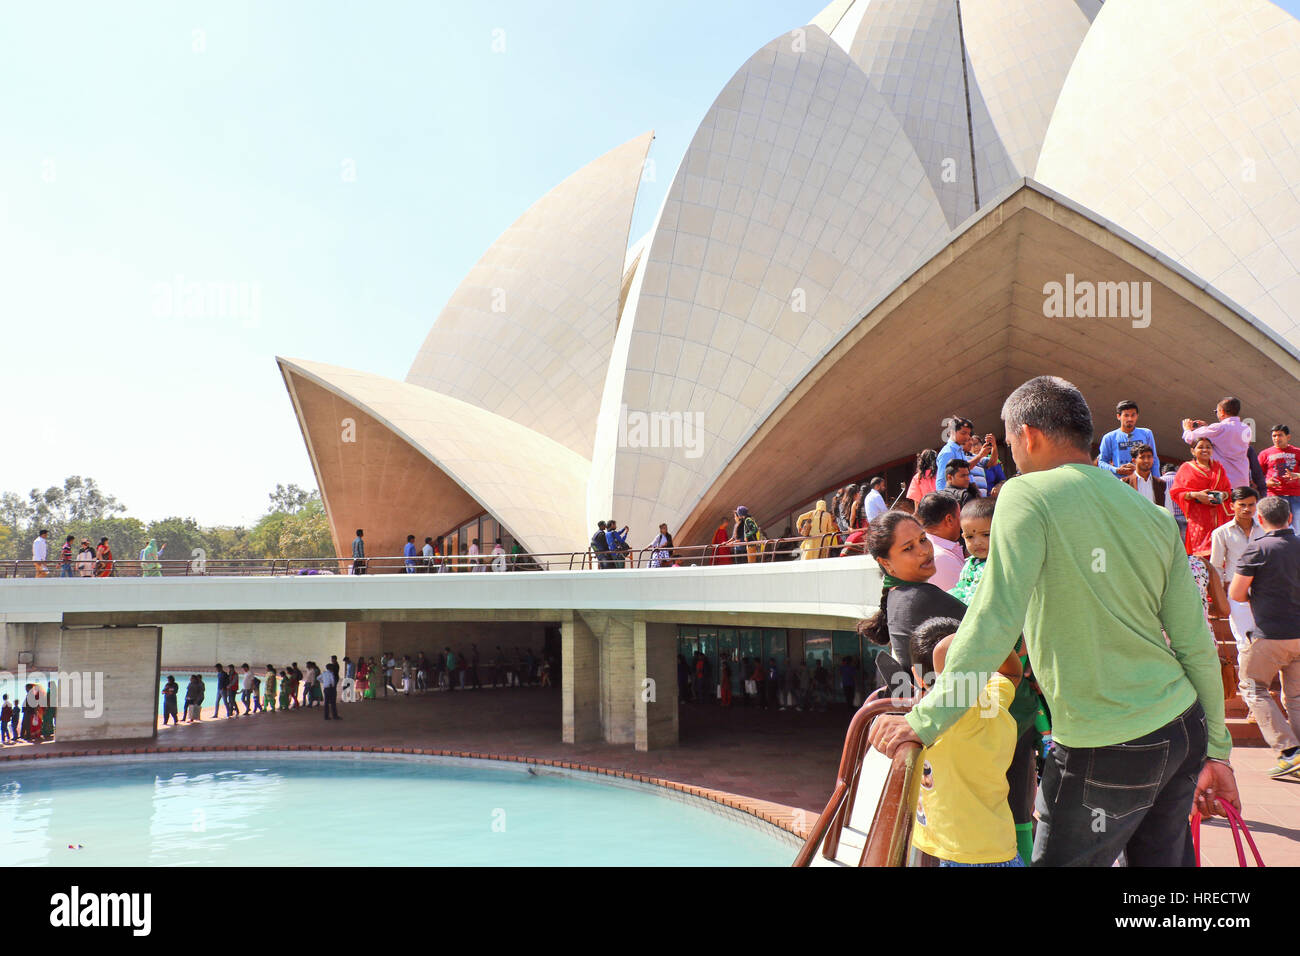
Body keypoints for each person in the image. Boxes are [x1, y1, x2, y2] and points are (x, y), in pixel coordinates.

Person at [868, 375, 1235, 867]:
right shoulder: (1150, 515)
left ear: (1029, 435)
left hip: (1103, 742)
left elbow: (993, 621)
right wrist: (1217, 751)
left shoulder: (1027, 495)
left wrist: (925, 719)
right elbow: (1194, 643)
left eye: (1009, 441)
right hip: (1178, 729)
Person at [908, 617, 1025, 867]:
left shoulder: (933, 721)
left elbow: (948, 685)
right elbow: (1012, 672)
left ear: (917, 676)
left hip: (970, 858)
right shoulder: (994, 697)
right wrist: (983, 642)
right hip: (993, 849)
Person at [1228, 496, 1300, 777]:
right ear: (1290, 518)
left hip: (1270, 633)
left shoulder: (1257, 549)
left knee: (1252, 686)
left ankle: (1290, 750)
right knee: (1295, 696)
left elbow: (1236, 593)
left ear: (1259, 518)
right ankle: (1295, 754)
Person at [861, 510, 969, 675]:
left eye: (923, 539)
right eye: (908, 548)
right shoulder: (922, 597)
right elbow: (1005, 640)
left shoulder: (897, 595)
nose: (924, 550)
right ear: (885, 562)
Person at [1210, 487, 1266, 652]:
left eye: (1251, 505)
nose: (1247, 509)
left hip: (1265, 589)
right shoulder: (1221, 533)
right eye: (1242, 505)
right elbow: (1217, 567)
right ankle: (1247, 678)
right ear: (1232, 505)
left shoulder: (1266, 529)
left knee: (1269, 638)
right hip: (1237, 591)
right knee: (1243, 640)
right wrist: (1219, 594)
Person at [1170, 437, 1233, 556]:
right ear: (1193, 451)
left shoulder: (1218, 468)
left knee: (1220, 554)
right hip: (1199, 519)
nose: (1205, 450)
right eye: (1200, 447)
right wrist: (1196, 495)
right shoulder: (1186, 468)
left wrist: (1221, 495)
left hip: (1218, 517)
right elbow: (1176, 492)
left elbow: (1227, 491)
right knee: (1200, 555)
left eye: (1208, 447)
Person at [1182, 397, 1253, 491]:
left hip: (1224, 481)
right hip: (1242, 480)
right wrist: (1206, 427)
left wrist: (1187, 428)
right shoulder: (1246, 428)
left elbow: (1190, 438)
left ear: (1222, 411)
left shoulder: (1219, 428)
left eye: (1216, 411)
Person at [1098, 400, 1160, 478]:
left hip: (1142, 483)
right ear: (1118, 416)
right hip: (1120, 483)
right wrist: (1116, 470)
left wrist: (1156, 481)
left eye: (1133, 415)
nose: (1130, 419)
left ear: (1137, 416)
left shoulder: (1146, 434)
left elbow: (1154, 459)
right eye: (1126, 415)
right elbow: (1102, 462)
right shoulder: (1109, 437)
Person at [916, 493, 965, 592]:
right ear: (949, 519)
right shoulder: (941, 558)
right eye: (960, 516)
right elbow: (961, 602)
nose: (962, 521)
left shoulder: (925, 548)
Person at [1259, 424, 1300, 527]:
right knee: (1275, 527)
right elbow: (1256, 477)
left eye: (1280, 435)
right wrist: (1267, 483)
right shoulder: (1265, 454)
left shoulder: (1297, 452)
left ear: (1288, 437)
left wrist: (1298, 475)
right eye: (1274, 436)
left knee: (1297, 529)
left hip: (1295, 496)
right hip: (1274, 496)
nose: (1276, 438)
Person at [1120, 443, 1168, 507]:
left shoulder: (1161, 484)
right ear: (1134, 460)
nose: (1146, 460)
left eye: (1149, 456)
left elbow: (1169, 510)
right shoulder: (1125, 483)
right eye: (1142, 457)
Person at [935, 417, 974, 492]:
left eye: (968, 434)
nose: (967, 437)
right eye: (963, 433)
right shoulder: (947, 452)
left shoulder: (960, 450)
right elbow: (942, 481)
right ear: (952, 431)